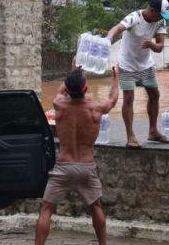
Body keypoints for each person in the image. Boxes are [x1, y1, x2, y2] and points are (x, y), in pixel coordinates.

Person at [35, 66, 119, 245]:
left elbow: (61, 90)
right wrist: (116, 79)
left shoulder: (59, 104)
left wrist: (72, 72)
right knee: (96, 207)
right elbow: (113, 99)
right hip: (86, 168)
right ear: (86, 88)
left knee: (46, 210)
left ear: (67, 88)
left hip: (64, 167)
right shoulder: (95, 108)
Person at [106, 0, 169, 149]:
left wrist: (151, 45)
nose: (161, 18)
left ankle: (153, 131)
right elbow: (117, 28)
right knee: (129, 98)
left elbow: (160, 46)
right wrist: (109, 37)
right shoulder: (134, 18)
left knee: (155, 94)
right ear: (152, 10)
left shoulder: (160, 21)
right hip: (127, 64)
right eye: (160, 15)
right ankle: (130, 136)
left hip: (146, 65)